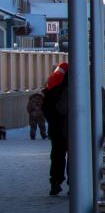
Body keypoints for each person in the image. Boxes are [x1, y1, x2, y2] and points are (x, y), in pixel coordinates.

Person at [43, 62, 69, 195]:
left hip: (55, 128)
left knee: (57, 156)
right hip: (70, 129)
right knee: (74, 157)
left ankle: (55, 183)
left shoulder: (52, 82)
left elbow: (46, 106)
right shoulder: (73, 86)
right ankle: (74, 184)